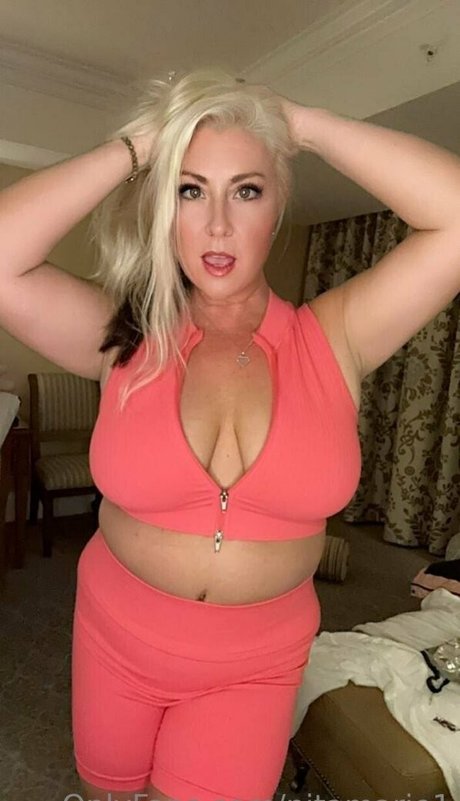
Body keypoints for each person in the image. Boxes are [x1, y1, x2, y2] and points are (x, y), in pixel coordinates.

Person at [1, 67, 459, 801]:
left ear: (277, 204)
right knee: (109, 792)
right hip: (116, 635)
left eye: (246, 190)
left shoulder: (334, 337)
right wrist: (139, 146)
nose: (217, 224)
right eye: (190, 190)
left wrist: (301, 124)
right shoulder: (126, 336)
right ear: (164, 206)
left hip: (257, 665)